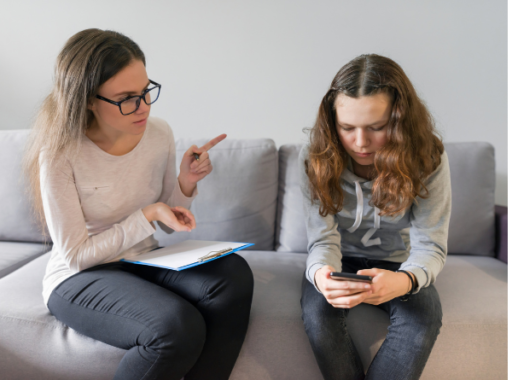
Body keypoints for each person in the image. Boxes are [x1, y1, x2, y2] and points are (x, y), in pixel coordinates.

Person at [23, 29, 254, 380]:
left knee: (233, 275)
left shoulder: (158, 132)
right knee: (175, 328)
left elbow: (165, 218)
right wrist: (146, 214)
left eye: (146, 91)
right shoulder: (59, 154)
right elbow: (78, 256)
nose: (143, 106)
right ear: (86, 99)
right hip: (80, 276)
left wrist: (186, 181)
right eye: (127, 98)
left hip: (142, 257)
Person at [300, 54, 450, 380]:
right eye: (346, 128)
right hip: (337, 260)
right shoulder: (314, 157)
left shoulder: (428, 157)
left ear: (399, 121)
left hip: (399, 262)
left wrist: (407, 279)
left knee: (423, 318)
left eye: (377, 128)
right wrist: (321, 275)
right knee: (317, 315)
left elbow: (431, 245)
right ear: (332, 120)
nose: (360, 143)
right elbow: (322, 240)